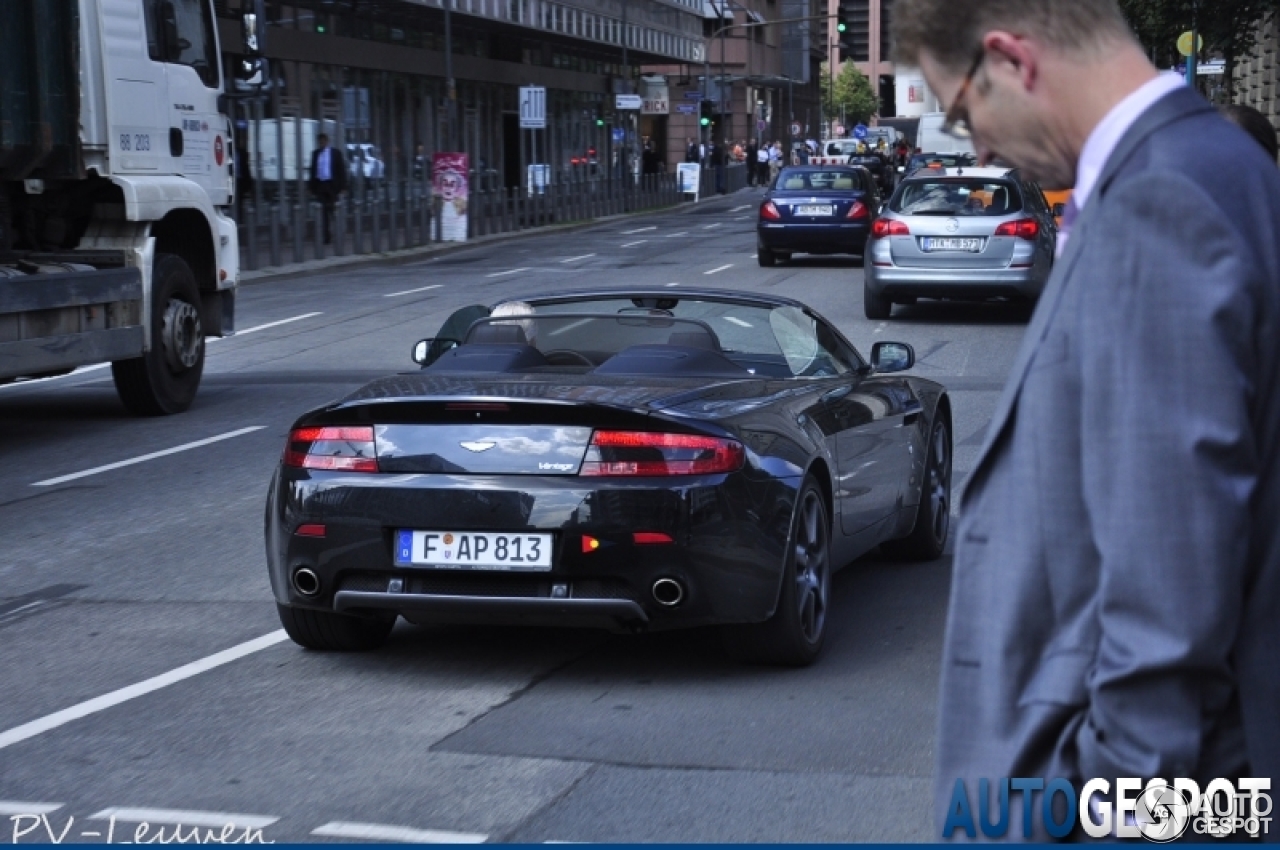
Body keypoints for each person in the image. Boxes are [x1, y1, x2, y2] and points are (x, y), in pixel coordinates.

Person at [893, 0, 1280, 839]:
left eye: (964, 114)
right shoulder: (1222, 167)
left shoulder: (1158, 203)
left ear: (1012, 60)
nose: (981, 147)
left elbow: (1171, 592)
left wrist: (1102, 801)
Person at [308, 134, 347, 245]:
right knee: (323, 211)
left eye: (323, 142)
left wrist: (343, 186)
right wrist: (311, 187)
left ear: (327, 141)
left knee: (333, 210)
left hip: (332, 185)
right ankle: (326, 236)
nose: (321, 144)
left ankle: (338, 232)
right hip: (321, 184)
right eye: (320, 142)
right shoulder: (315, 154)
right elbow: (313, 171)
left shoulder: (335, 153)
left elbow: (341, 170)